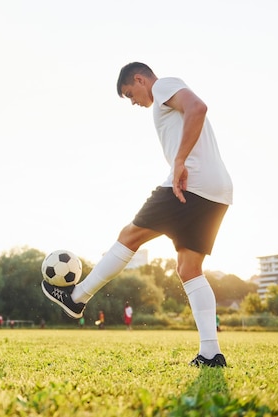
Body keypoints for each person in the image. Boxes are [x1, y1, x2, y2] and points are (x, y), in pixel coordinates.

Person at [42, 62, 232, 368]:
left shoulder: (163, 86)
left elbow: (199, 107)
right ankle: (211, 353)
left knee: (129, 236)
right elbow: (194, 112)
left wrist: (180, 161)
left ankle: (76, 299)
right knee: (189, 269)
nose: (133, 102)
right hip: (216, 191)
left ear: (140, 79)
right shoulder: (164, 98)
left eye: (131, 93)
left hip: (189, 183)